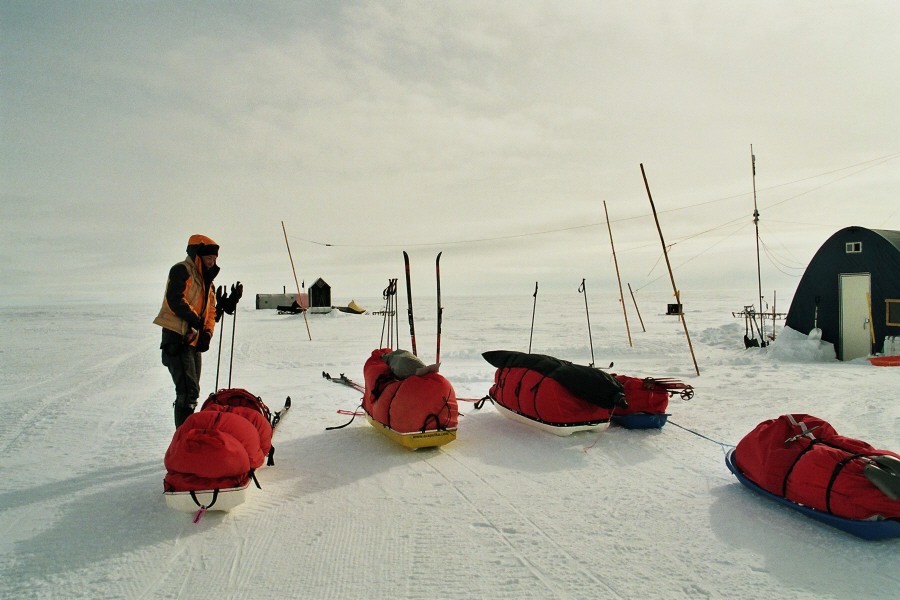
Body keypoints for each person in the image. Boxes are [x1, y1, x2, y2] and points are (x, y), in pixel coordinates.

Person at [153, 234, 220, 427]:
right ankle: (183, 442)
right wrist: (195, 320)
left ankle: (187, 438)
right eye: (209, 258)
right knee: (187, 392)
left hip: (192, 341)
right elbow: (175, 299)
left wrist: (207, 333)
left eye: (214, 259)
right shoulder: (182, 271)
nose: (212, 262)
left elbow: (210, 311)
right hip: (176, 337)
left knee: (192, 392)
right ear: (197, 256)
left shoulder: (207, 283)